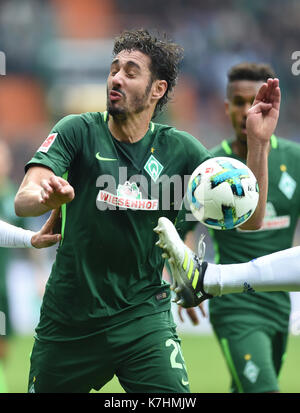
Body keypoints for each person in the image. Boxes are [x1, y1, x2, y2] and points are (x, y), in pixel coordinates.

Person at [14, 30, 280, 393]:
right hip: (69, 324)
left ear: (157, 89)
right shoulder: (77, 131)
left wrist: (258, 143)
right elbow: (25, 196)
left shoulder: (182, 151)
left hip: (144, 320)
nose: (116, 77)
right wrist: (45, 196)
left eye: (130, 71)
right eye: (114, 69)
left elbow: (251, 219)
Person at [170, 63, 299, 393]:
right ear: (227, 108)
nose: (247, 111)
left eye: (255, 102)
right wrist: (187, 277)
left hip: (280, 301)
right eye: (239, 102)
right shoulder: (210, 168)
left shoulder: (295, 159)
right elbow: (182, 230)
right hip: (235, 302)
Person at [0, 139, 61, 393]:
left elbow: (28, 237)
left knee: (2, 349)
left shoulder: (12, 195)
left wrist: (39, 270)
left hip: (1, 290)